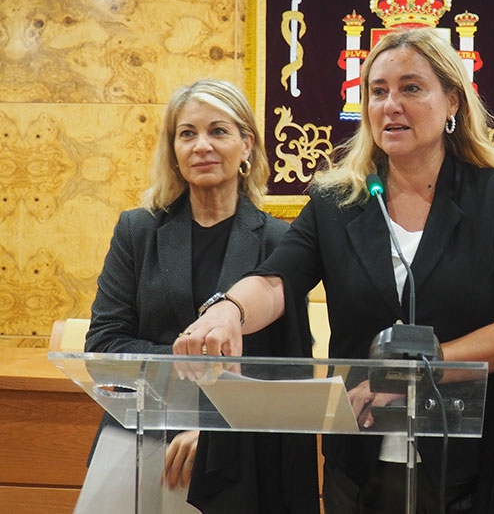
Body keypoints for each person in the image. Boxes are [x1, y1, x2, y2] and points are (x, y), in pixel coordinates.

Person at [174, 29, 494, 513]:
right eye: (378, 91)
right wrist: (228, 311)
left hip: (468, 462)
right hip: (359, 462)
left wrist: (413, 374)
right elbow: (277, 280)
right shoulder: (337, 201)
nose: (391, 105)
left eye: (411, 88)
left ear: (452, 101)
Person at [81, 79, 319, 513]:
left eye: (218, 131)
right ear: (173, 150)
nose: (201, 146)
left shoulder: (280, 241)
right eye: (187, 133)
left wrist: (216, 430)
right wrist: (192, 368)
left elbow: (287, 368)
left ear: (247, 145)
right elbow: (105, 347)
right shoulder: (138, 231)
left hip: (239, 453)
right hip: (140, 438)